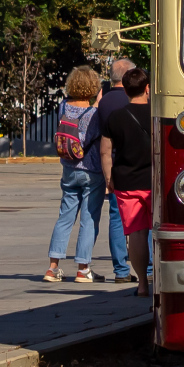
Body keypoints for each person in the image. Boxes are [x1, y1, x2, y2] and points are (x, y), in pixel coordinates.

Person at [44, 66, 106, 284]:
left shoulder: (63, 107)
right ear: (93, 87)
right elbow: (95, 136)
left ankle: (53, 268)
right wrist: (98, 102)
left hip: (68, 170)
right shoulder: (94, 113)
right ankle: (83, 269)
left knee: (65, 217)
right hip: (91, 171)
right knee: (89, 220)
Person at [100, 67, 152, 298]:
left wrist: (109, 178)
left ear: (126, 90)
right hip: (156, 182)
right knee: (160, 232)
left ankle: (142, 284)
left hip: (127, 183)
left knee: (137, 234)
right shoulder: (157, 115)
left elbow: (105, 151)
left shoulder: (116, 117)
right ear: (147, 88)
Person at [97, 58, 137, 284]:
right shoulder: (136, 99)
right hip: (137, 165)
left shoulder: (103, 102)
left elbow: (104, 144)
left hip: (113, 165)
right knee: (143, 217)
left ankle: (121, 270)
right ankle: (148, 267)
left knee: (116, 218)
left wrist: (107, 176)